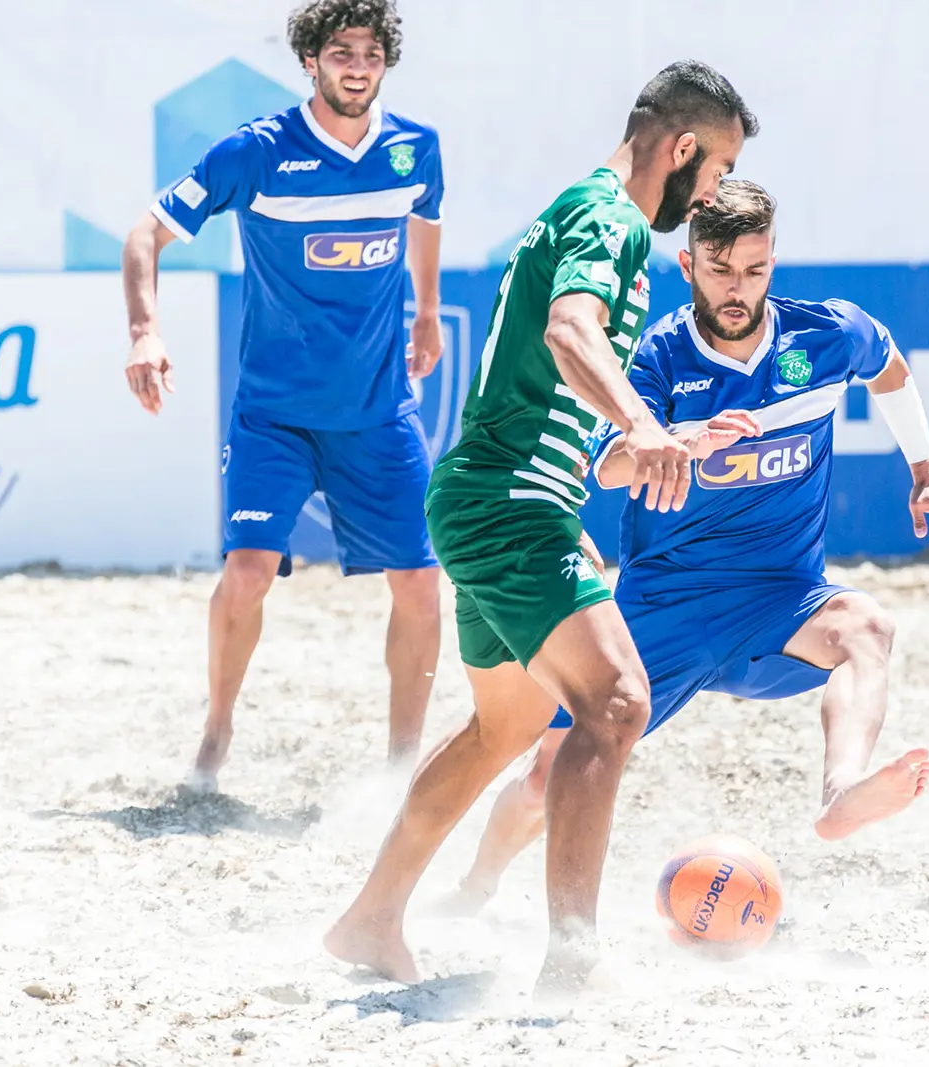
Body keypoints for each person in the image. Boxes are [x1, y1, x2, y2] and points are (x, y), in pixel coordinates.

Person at [325, 61, 758, 998]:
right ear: (681, 149)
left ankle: (370, 918)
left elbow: (562, 373)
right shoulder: (608, 217)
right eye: (718, 167)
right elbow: (570, 332)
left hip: (503, 497)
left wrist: (645, 436)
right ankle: (570, 956)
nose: (716, 190)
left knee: (503, 727)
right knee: (615, 703)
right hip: (507, 503)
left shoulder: (590, 214)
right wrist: (642, 422)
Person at [444, 180, 929, 914]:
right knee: (548, 772)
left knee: (868, 627)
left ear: (773, 263)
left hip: (781, 601)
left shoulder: (827, 334)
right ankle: (474, 887)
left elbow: (889, 368)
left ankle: (843, 789)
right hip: (665, 609)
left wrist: (927, 471)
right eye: (719, 271)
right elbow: (608, 464)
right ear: (687, 267)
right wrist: (674, 441)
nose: (736, 289)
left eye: (753, 271)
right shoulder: (657, 357)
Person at [120, 0, 444, 791]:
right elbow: (144, 234)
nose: (358, 66)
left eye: (372, 52)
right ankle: (217, 733)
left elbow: (426, 217)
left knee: (423, 585)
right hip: (274, 416)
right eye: (342, 51)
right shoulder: (257, 152)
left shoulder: (416, 147)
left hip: (378, 412)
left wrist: (428, 311)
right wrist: (144, 333)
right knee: (248, 573)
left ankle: (402, 767)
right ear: (310, 59)